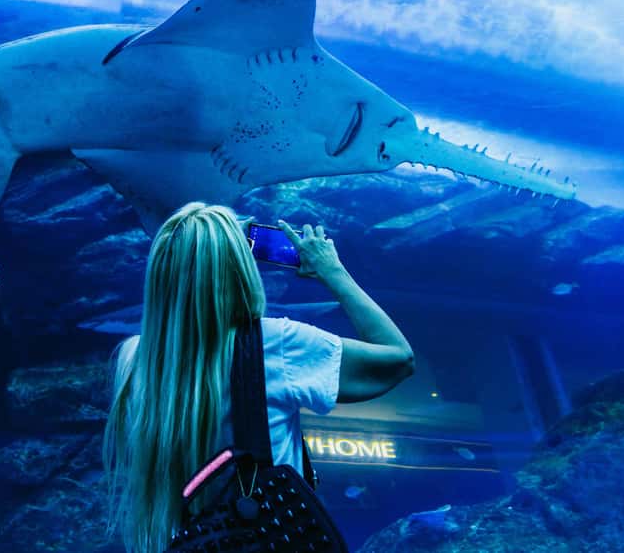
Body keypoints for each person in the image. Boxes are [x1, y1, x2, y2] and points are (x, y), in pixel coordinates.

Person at [102, 202, 414, 552]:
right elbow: (398, 359)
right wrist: (332, 271)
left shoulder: (133, 359)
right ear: (238, 269)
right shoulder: (274, 344)